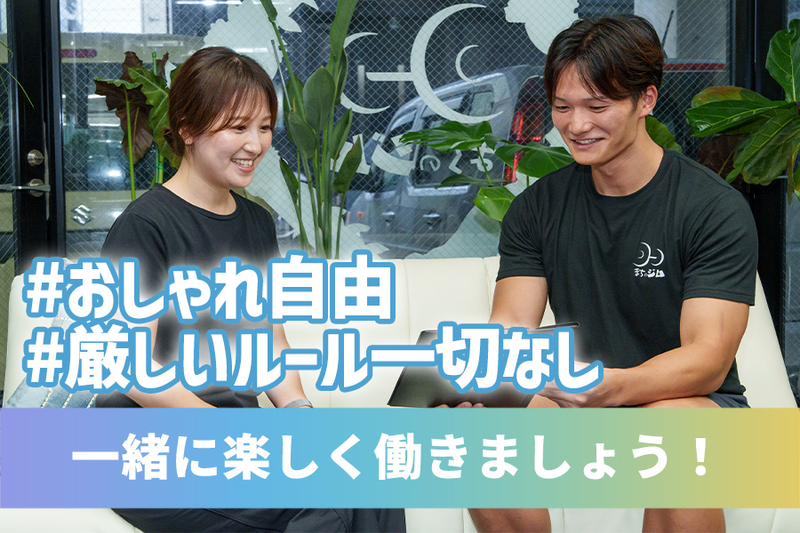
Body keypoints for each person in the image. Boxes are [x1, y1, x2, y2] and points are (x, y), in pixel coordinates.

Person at [469, 15, 757, 533]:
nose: (576, 125)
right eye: (562, 107)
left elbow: (707, 360)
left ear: (646, 99)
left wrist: (611, 388)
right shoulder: (537, 208)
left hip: (689, 402)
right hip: (579, 401)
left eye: (597, 106)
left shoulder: (712, 208)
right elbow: (510, 327)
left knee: (670, 430)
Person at [100, 46, 405, 533]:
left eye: (263, 127)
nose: (256, 144)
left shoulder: (256, 223)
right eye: (238, 127)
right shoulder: (145, 225)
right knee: (327, 505)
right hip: (151, 446)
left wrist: (299, 412)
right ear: (188, 129)